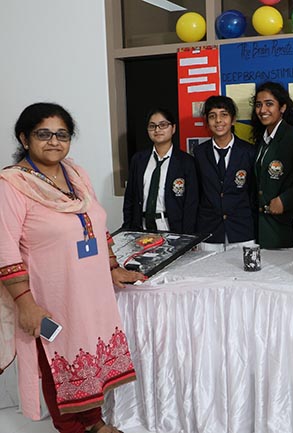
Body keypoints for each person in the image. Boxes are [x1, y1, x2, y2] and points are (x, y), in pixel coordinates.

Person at [0, 103, 146, 433]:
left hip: (90, 292)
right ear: (24, 139)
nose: (54, 141)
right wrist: (25, 304)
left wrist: (113, 267)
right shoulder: (12, 184)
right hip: (49, 296)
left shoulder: (75, 174)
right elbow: (4, 248)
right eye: (43, 134)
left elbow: (97, 223)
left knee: (88, 358)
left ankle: (94, 423)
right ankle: (72, 428)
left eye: (62, 134)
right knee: (58, 363)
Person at [251, 81, 293, 248]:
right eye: (258, 105)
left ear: (283, 108)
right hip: (265, 228)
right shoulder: (262, 140)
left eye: (269, 104)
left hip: (287, 228)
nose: (262, 110)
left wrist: (284, 200)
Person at [193, 95, 257, 250]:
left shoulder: (249, 151)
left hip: (242, 229)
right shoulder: (199, 153)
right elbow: (197, 194)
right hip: (209, 230)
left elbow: (253, 193)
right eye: (212, 116)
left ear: (233, 120)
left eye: (224, 115)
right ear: (207, 121)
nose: (218, 120)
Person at [122, 108, 198, 233]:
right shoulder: (139, 159)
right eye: (152, 126)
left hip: (170, 227)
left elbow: (191, 203)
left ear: (173, 128)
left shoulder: (186, 162)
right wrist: (127, 228)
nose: (157, 130)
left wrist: (187, 236)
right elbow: (130, 197)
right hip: (141, 228)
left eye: (163, 125)